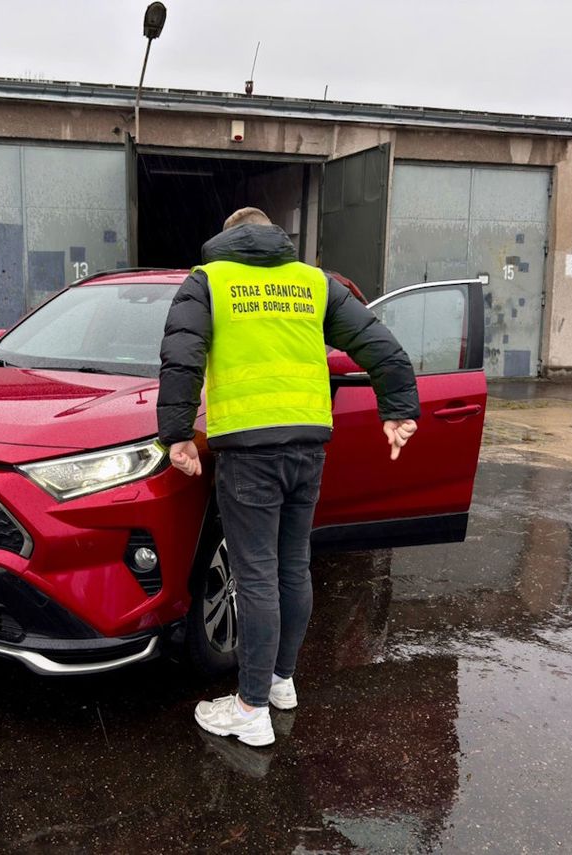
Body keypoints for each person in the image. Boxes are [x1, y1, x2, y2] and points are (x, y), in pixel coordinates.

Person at [157, 207, 420, 747]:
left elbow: (181, 356)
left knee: (254, 576)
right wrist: (397, 410)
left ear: (227, 238)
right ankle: (280, 684)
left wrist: (177, 433)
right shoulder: (312, 282)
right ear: (274, 237)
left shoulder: (210, 281)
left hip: (249, 450)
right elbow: (381, 344)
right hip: (307, 446)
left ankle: (251, 709)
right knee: (293, 565)